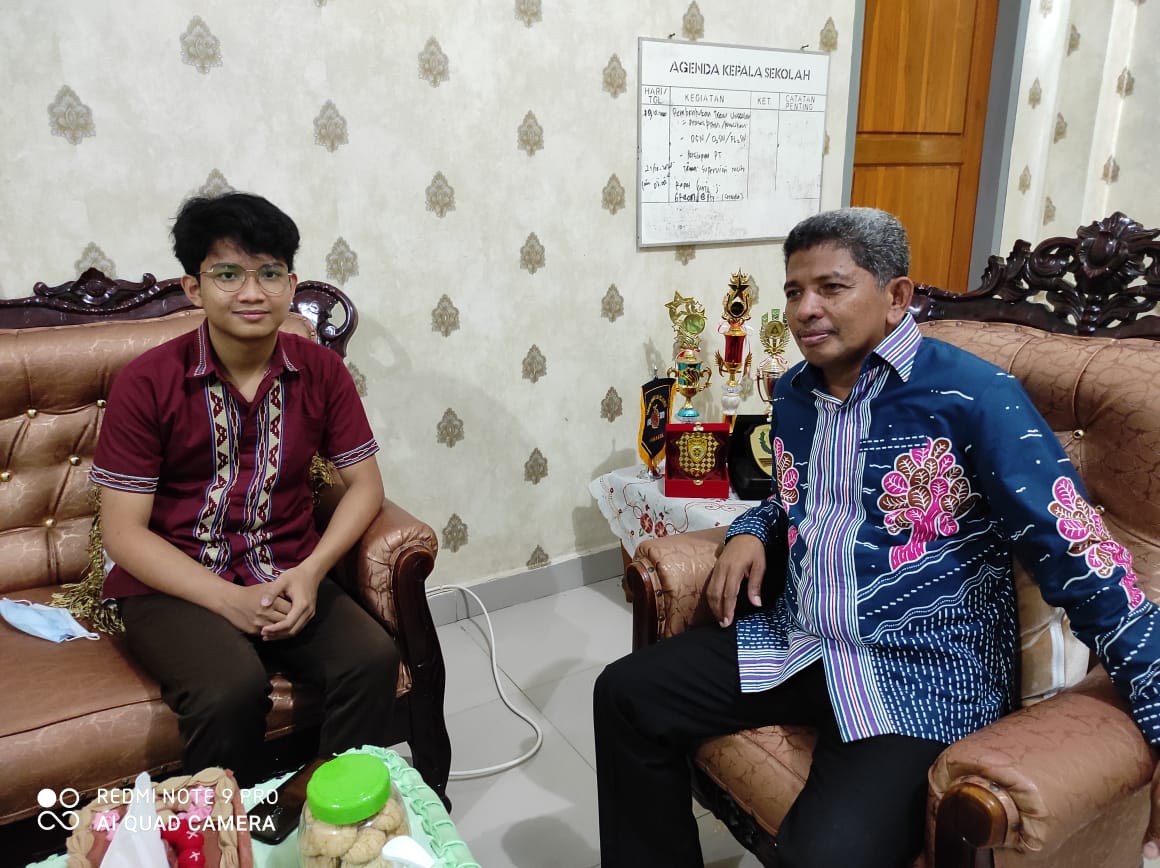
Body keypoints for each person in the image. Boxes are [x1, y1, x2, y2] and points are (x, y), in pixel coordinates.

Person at [594, 207, 1160, 867]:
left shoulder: (974, 397)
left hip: (922, 675)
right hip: (802, 640)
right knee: (625, 695)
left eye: (831, 288)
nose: (805, 310)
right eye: (794, 291)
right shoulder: (796, 394)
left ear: (896, 297)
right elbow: (795, 499)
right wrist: (751, 529)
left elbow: (1079, 555)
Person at [91, 192, 398, 786]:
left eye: (269, 273)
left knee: (371, 659)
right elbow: (123, 533)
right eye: (228, 274)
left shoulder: (322, 371)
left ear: (291, 284)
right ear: (193, 288)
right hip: (174, 582)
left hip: (286, 566)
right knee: (229, 689)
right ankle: (228, 827)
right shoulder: (146, 383)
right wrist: (226, 600)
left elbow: (365, 486)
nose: (252, 292)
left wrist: (311, 572)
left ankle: (316, 814)